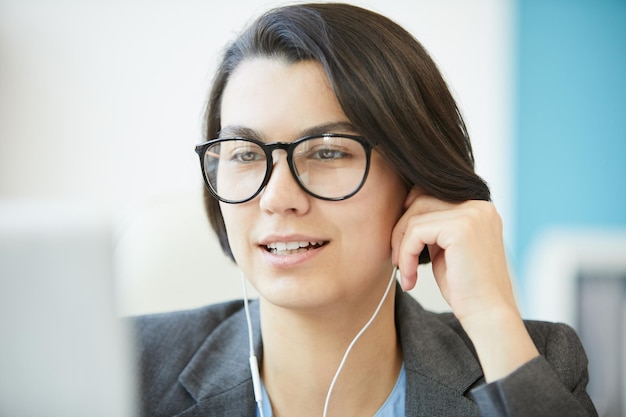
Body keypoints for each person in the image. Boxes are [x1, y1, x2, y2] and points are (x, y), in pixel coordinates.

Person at [133, 3, 597, 416]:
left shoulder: (531, 360)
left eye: (329, 151)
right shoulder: (128, 365)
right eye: (245, 153)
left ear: (416, 178)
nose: (276, 197)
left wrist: (491, 317)